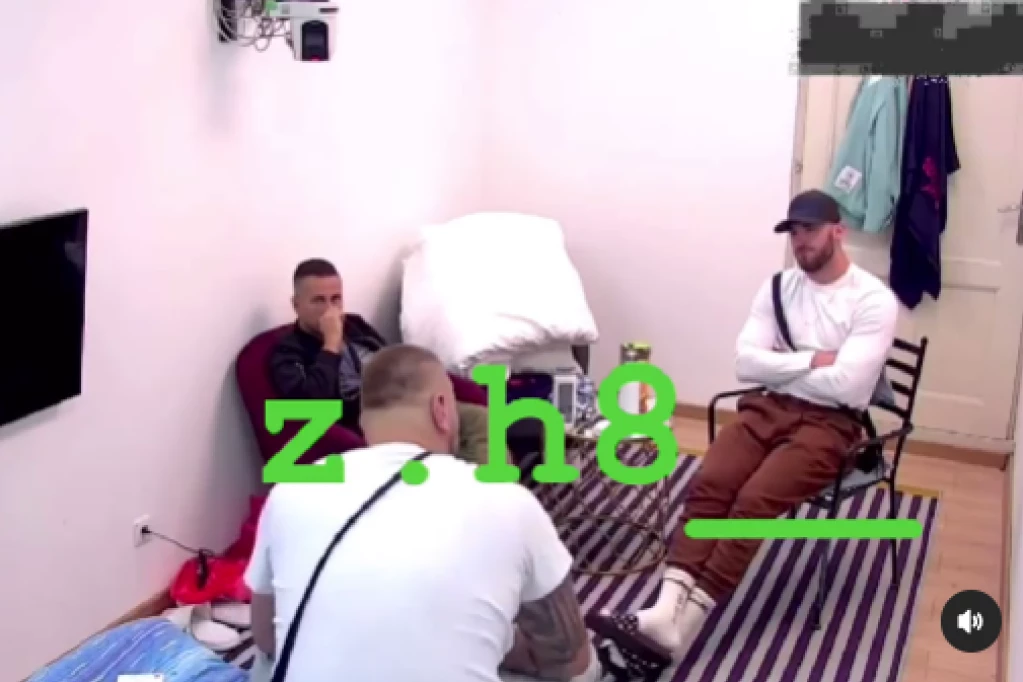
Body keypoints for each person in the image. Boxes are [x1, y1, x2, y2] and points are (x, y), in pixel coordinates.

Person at [588, 189, 899, 669]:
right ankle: (663, 612)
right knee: (711, 481)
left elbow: (848, 385)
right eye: (793, 231)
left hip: (832, 423)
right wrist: (813, 360)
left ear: (838, 231)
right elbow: (745, 364)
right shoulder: (777, 288)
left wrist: (780, 366)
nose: (801, 240)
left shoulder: (874, 300)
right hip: (767, 407)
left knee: (753, 502)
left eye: (811, 230)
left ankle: (683, 630)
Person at [245, 344, 600, 682]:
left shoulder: (291, 489)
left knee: (266, 662)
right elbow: (567, 656)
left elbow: (266, 636)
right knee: (585, 668)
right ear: (441, 409)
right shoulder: (509, 501)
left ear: (364, 421)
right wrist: (497, 641)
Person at [268, 258, 491, 464]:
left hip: (408, 398)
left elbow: (390, 359)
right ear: (296, 304)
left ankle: (482, 486)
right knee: (457, 435)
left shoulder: (354, 325)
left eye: (336, 299)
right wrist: (331, 345)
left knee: (481, 420)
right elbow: (312, 404)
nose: (330, 309)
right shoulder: (288, 352)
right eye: (318, 300)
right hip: (374, 416)